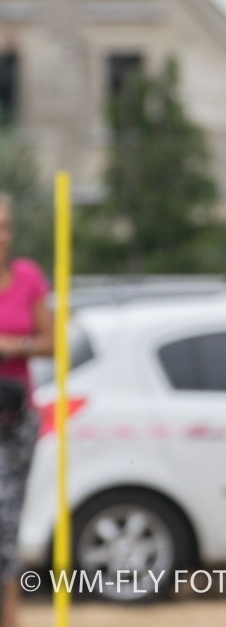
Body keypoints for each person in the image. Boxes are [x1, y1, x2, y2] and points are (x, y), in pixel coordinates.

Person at [0, 194, 50, 627]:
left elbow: (53, 342)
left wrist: (15, 346)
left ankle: (11, 616)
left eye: (5, 226)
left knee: (7, 518)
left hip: (16, 418)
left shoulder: (28, 278)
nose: (1, 235)